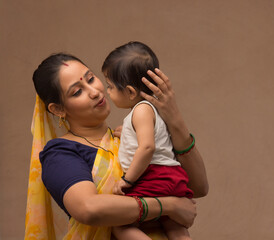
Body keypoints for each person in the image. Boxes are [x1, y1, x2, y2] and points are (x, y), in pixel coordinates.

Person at [25, 52, 208, 239]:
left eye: (90, 79)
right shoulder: (61, 153)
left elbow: (198, 187)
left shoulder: (127, 140)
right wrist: (168, 206)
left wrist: (175, 119)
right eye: (77, 91)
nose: (94, 91)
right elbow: (88, 208)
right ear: (58, 109)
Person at [102, 41, 194, 240]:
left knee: (120, 224)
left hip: (154, 176)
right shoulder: (150, 111)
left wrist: (128, 180)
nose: (107, 92)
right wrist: (125, 135)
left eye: (110, 87)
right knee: (174, 226)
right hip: (172, 177)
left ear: (130, 92)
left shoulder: (141, 110)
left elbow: (147, 147)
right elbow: (146, 139)